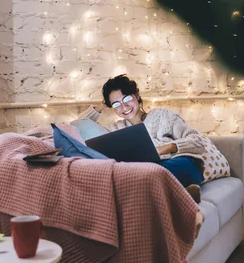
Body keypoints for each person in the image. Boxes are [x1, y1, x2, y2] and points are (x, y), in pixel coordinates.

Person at [78, 74, 207, 203]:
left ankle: (175, 195)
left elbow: (198, 142)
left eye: (127, 98)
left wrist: (166, 148)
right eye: (116, 104)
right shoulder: (115, 129)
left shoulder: (162, 115)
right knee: (134, 179)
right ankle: (179, 197)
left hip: (180, 164)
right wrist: (101, 106)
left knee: (151, 174)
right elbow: (79, 125)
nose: (124, 107)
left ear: (137, 96)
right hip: (144, 173)